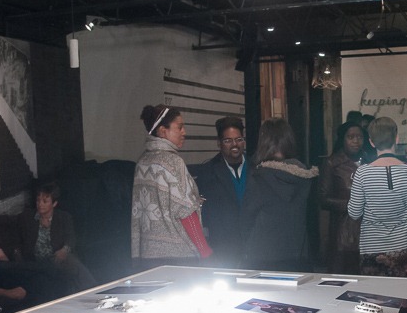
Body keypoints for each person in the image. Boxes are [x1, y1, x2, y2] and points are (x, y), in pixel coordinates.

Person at [131, 104, 212, 269]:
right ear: (163, 131)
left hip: (148, 256)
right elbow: (185, 211)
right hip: (179, 256)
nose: (184, 132)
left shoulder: (142, 162)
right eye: (179, 127)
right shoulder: (174, 162)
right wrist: (205, 251)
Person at [241, 118, 318, 271]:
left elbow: (246, 218)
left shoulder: (259, 176)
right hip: (298, 255)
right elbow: (311, 220)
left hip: (262, 256)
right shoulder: (305, 176)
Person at [348, 117, 407, 277]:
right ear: (396, 138)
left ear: (371, 142)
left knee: (374, 291)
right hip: (403, 242)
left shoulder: (362, 173)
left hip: (372, 245)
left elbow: (354, 213)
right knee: (406, 290)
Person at [16, 182, 96, 292]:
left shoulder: (63, 217)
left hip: (56, 257)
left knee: (72, 264)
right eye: (38, 201)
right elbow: (10, 221)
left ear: (54, 203)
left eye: (45, 201)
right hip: (36, 260)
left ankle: (93, 290)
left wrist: (64, 250)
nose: (40, 204)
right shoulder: (28, 216)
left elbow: (71, 238)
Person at [191, 116, 249, 267]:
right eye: (228, 140)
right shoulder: (208, 172)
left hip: (254, 248)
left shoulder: (256, 169)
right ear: (219, 143)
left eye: (239, 139)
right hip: (223, 252)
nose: (234, 144)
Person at [320, 121, 366, 273]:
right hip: (344, 231)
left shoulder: (369, 161)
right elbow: (323, 199)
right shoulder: (332, 163)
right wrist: (352, 205)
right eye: (351, 137)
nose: (356, 141)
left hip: (368, 231)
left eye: (359, 137)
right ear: (342, 139)